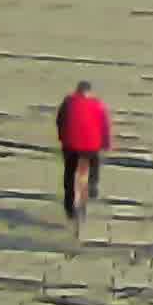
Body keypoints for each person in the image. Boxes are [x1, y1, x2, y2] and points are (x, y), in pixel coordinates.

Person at [55, 80, 111, 227]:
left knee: (69, 172)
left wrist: (62, 137)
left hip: (70, 145)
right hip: (91, 146)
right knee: (94, 163)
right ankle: (92, 184)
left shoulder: (68, 102)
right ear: (89, 92)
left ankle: (69, 206)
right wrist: (105, 143)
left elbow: (59, 121)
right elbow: (104, 125)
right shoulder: (97, 104)